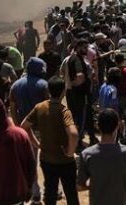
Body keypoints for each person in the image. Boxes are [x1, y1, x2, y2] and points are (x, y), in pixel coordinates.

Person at [22, 77, 80, 205]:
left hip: (47, 159)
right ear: (63, 92)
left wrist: (36, 143)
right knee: (71, 194)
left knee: (50, 194)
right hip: (65, 161)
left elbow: (24, 125)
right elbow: (73, 134)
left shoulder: (40, 107)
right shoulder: (64, 111)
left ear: (48, 91)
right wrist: (70, 152)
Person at [77, 109, 126, 205]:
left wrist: (94, 184)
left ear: (98, 126)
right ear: (118, 126)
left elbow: (80, 186)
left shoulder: (87, 154)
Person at [9, 57, 49, 204]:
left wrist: (17, 125)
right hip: (42, 128)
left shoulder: (15, 85)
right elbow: (48, 107)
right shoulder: (43, 84)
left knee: (30, 161)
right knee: (47, 159)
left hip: (24, 129)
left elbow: (12, 108)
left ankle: (35, 192)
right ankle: (51, 189)